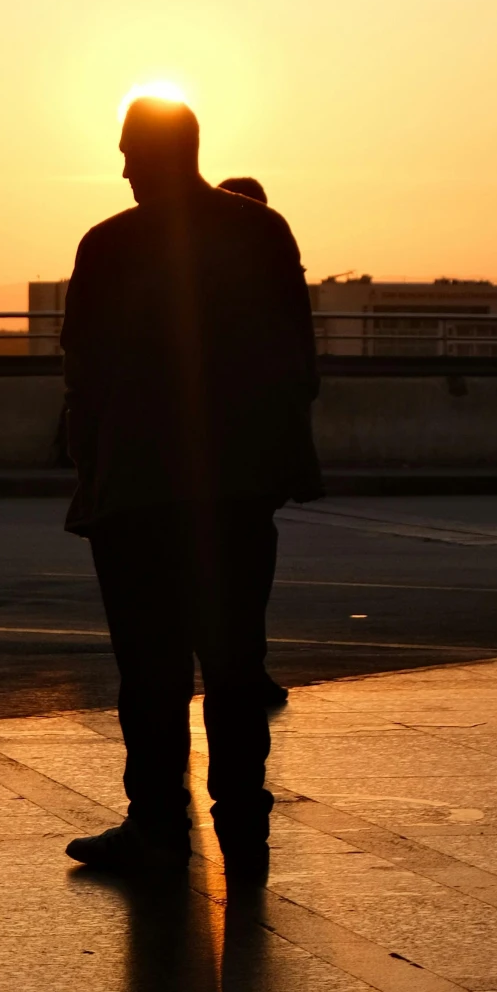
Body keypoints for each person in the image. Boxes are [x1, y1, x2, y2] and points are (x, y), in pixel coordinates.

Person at [60, 99, 322, 880]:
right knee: (237, 664)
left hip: (137, 492)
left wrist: (90, 471)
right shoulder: (260, 232)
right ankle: (244, 827)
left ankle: (156, 826)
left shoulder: (108, 245)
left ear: (153, 153)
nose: (123, 169)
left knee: (151, 673)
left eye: (129, 153)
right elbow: (295, 360)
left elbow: (86, 374)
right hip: (237, 491)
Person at [216, 176, 290, 708]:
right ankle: (244, 671)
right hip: (244, 467)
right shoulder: (263, 279)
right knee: (245, 583)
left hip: (225, 465)